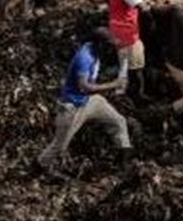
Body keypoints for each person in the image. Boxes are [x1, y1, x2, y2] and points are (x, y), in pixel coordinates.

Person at [38, 28, 131, 176]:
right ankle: (39, 167)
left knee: (119, 121)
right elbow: (85, 87)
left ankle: (124, 163)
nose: (109, 49)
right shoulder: (84, 58)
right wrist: (113, 85)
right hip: (73, 106)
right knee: (59, 146)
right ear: (99, 44)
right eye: (107, 46)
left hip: (91, 101)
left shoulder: (93, 48)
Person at [108, 0, 148, 99]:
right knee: (135, 67)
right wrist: (148, 2)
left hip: (115, 27)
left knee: (123, 63)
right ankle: (135, 95)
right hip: (129, 32)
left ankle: (120, 92)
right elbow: (143, 8)